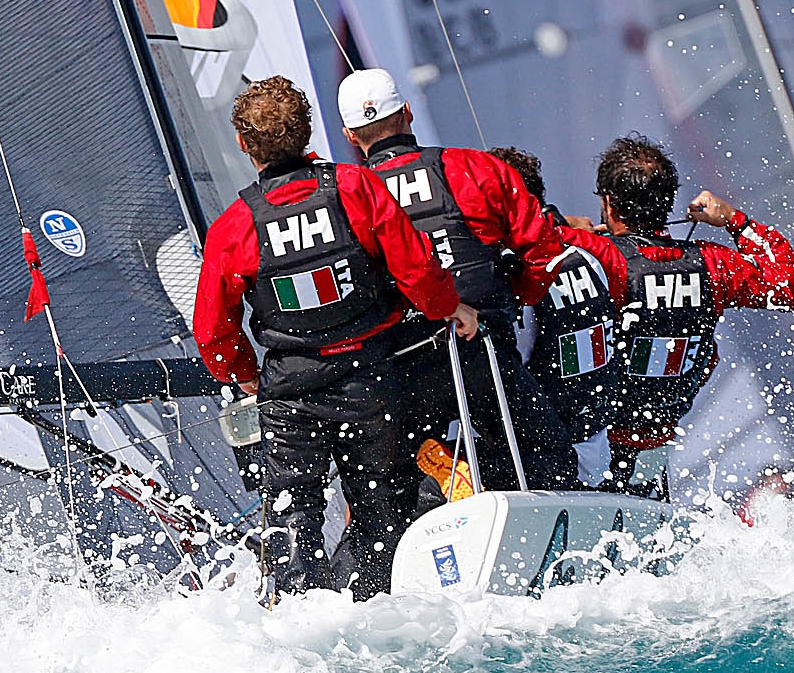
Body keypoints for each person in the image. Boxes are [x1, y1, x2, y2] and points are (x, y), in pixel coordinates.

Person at [194, 76, 474, 601]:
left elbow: (212, 330)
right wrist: (448, 308)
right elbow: (416, 267)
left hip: (290, 390)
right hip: (368, 378)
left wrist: (246, 378)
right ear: (307, 133)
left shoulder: (234, 226)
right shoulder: (354, 187)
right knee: (380, 506)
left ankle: (298, 622)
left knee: (291, 517)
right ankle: (371, 610)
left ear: (243, 144)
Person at [335, 69, 581, 509]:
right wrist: (518, 294)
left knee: (395, 488)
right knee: (548, 455)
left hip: (397, 370)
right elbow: (545, 251)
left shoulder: (343, 197)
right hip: (482, 348)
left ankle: (444, 486)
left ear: (350, 136)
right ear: (407, 113)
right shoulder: (475, 168)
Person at [587, 134, 794, 498]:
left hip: (589, 442)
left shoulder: (595, 258)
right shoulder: (712, 263)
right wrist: (734, 221)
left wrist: (565, 233)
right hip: (655, 439)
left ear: (609, 205)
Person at [486, 146, 624, 486]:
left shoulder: (516, 281)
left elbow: (500, 377)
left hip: (546, 468)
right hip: (595, 458)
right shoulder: (587, 259)